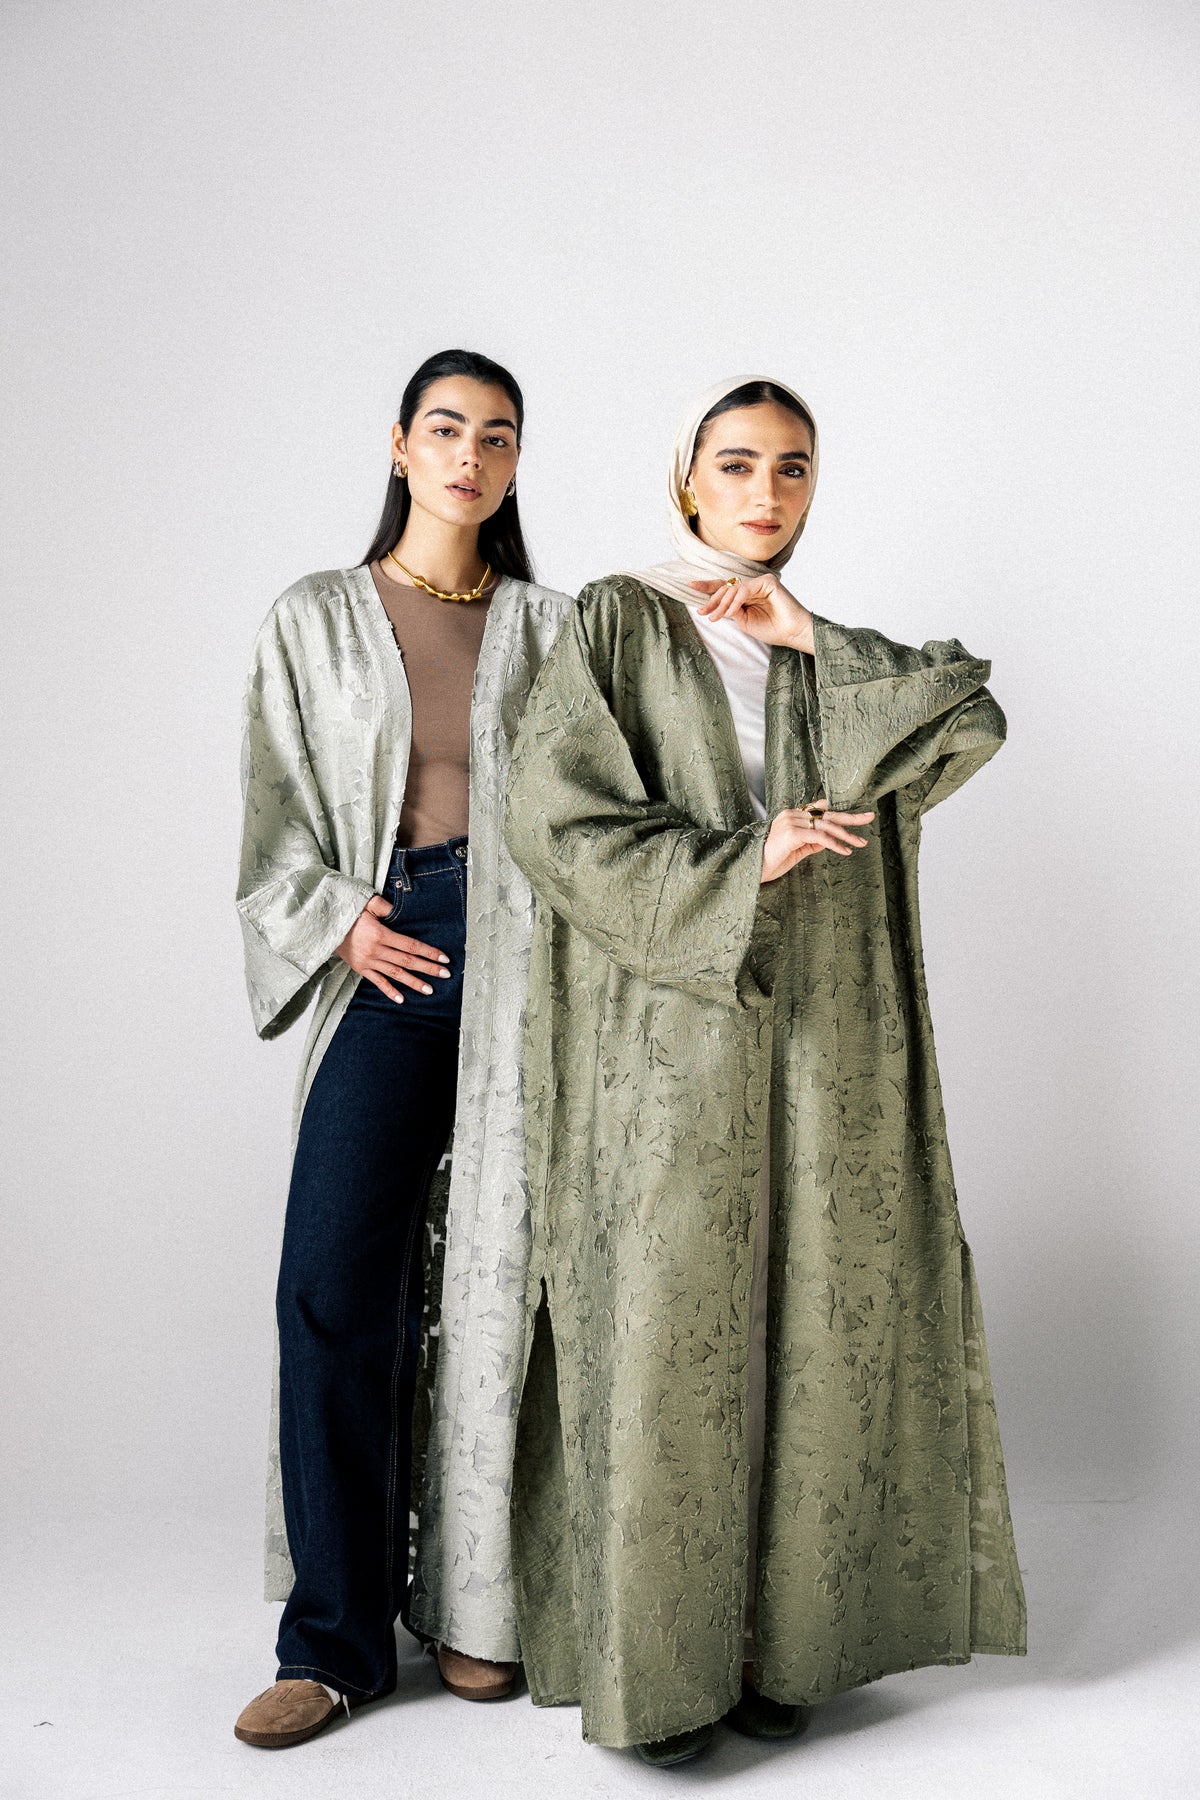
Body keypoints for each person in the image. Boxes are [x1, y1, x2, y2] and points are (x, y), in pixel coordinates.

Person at [500, 376, 1026, 1765]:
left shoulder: (813, 653)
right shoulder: (617, 620)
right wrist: (749, 859)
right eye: (736, 464)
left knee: (806, 1320)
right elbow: (554, 822)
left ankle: (775, 1648)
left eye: (792, 467)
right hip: (668, 1031)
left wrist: (811, 634)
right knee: (671, 1326)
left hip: (820, 1030)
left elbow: (967, 720)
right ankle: (663, 1677)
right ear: (687, 478)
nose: (765, 491)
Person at [233, 348, 571, 1749]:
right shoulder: (315, 618)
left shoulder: (555, 629)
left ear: (515, 462)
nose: (469, 457)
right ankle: (334, 1645)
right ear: (399, 444)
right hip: (394, 948)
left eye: (496, 437)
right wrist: (339, 926)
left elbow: (615, 806)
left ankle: (481, 1616)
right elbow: (272, 820)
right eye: (446, 430)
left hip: (533, 963)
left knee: (503, 1289)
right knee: (331, 1286)